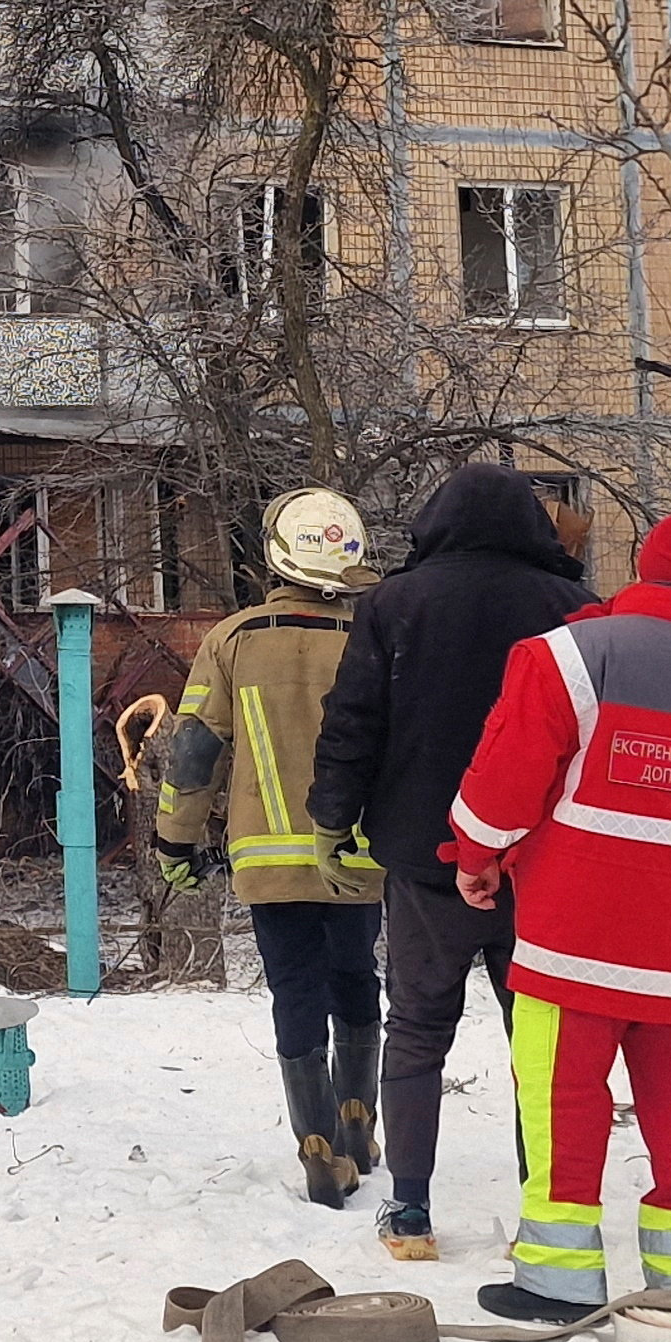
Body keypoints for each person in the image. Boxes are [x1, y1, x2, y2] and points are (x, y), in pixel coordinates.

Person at [445, 511, 671, 1322]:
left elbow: (505, 778)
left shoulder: (568, 656)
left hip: (570, 939)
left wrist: (476, 854)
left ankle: (557, 1280)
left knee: (562, 1105)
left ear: (645, 565)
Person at [307, 464, 593, 1258]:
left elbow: (353, 719)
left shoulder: (395, 603)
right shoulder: (572, 609)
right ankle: (545, 1201)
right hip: (543, 859)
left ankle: (411, 1209)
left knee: (419, 1027)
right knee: (537, 1035)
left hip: (424, 853)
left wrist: (333, 818)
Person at [151, 491, 385, 1205]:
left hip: (266, 859)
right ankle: (358, 1118)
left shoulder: (234, 637)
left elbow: (193, 752)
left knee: (294, 987)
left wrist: (175, 841)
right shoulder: (378, 631)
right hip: (358, 854)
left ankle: (314, 1143)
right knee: (355, 977)